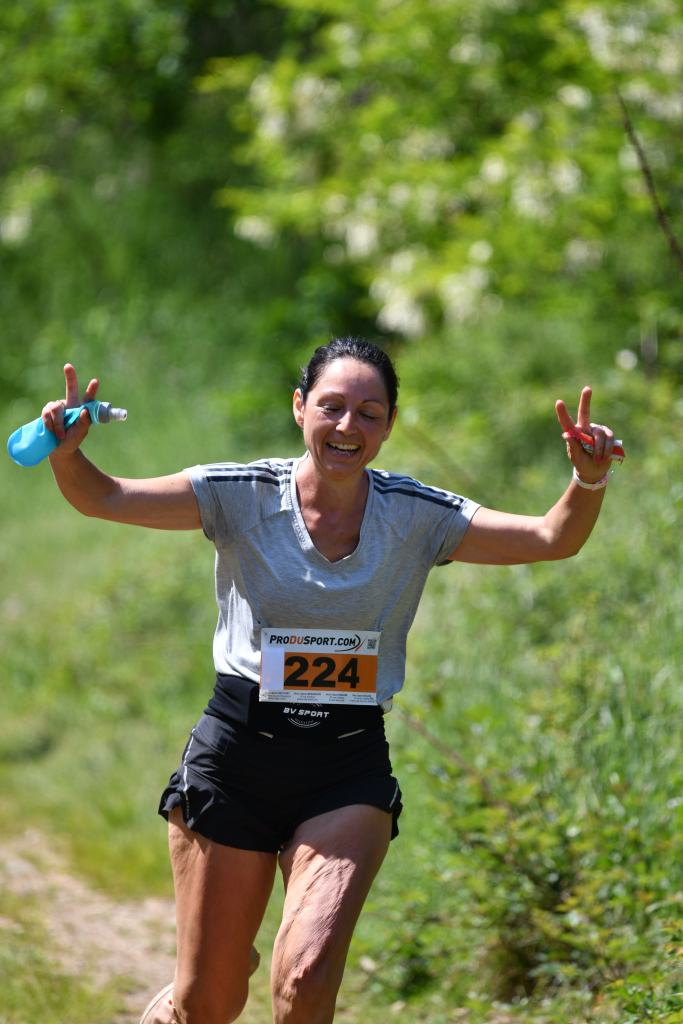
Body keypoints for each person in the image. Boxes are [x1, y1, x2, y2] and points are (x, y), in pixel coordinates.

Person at [41, 337, 617, 1024]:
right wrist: (68, 454)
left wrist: (587, 481)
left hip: (345, 766)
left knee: (307, 977)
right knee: (209, 1003)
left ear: (390, 425)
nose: (348, 426)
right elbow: (105, 497)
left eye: (369, 413)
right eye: (332, 407)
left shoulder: (416, 515)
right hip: (236, 758)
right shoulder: (240, 494)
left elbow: (552, 538)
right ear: (299, 407)